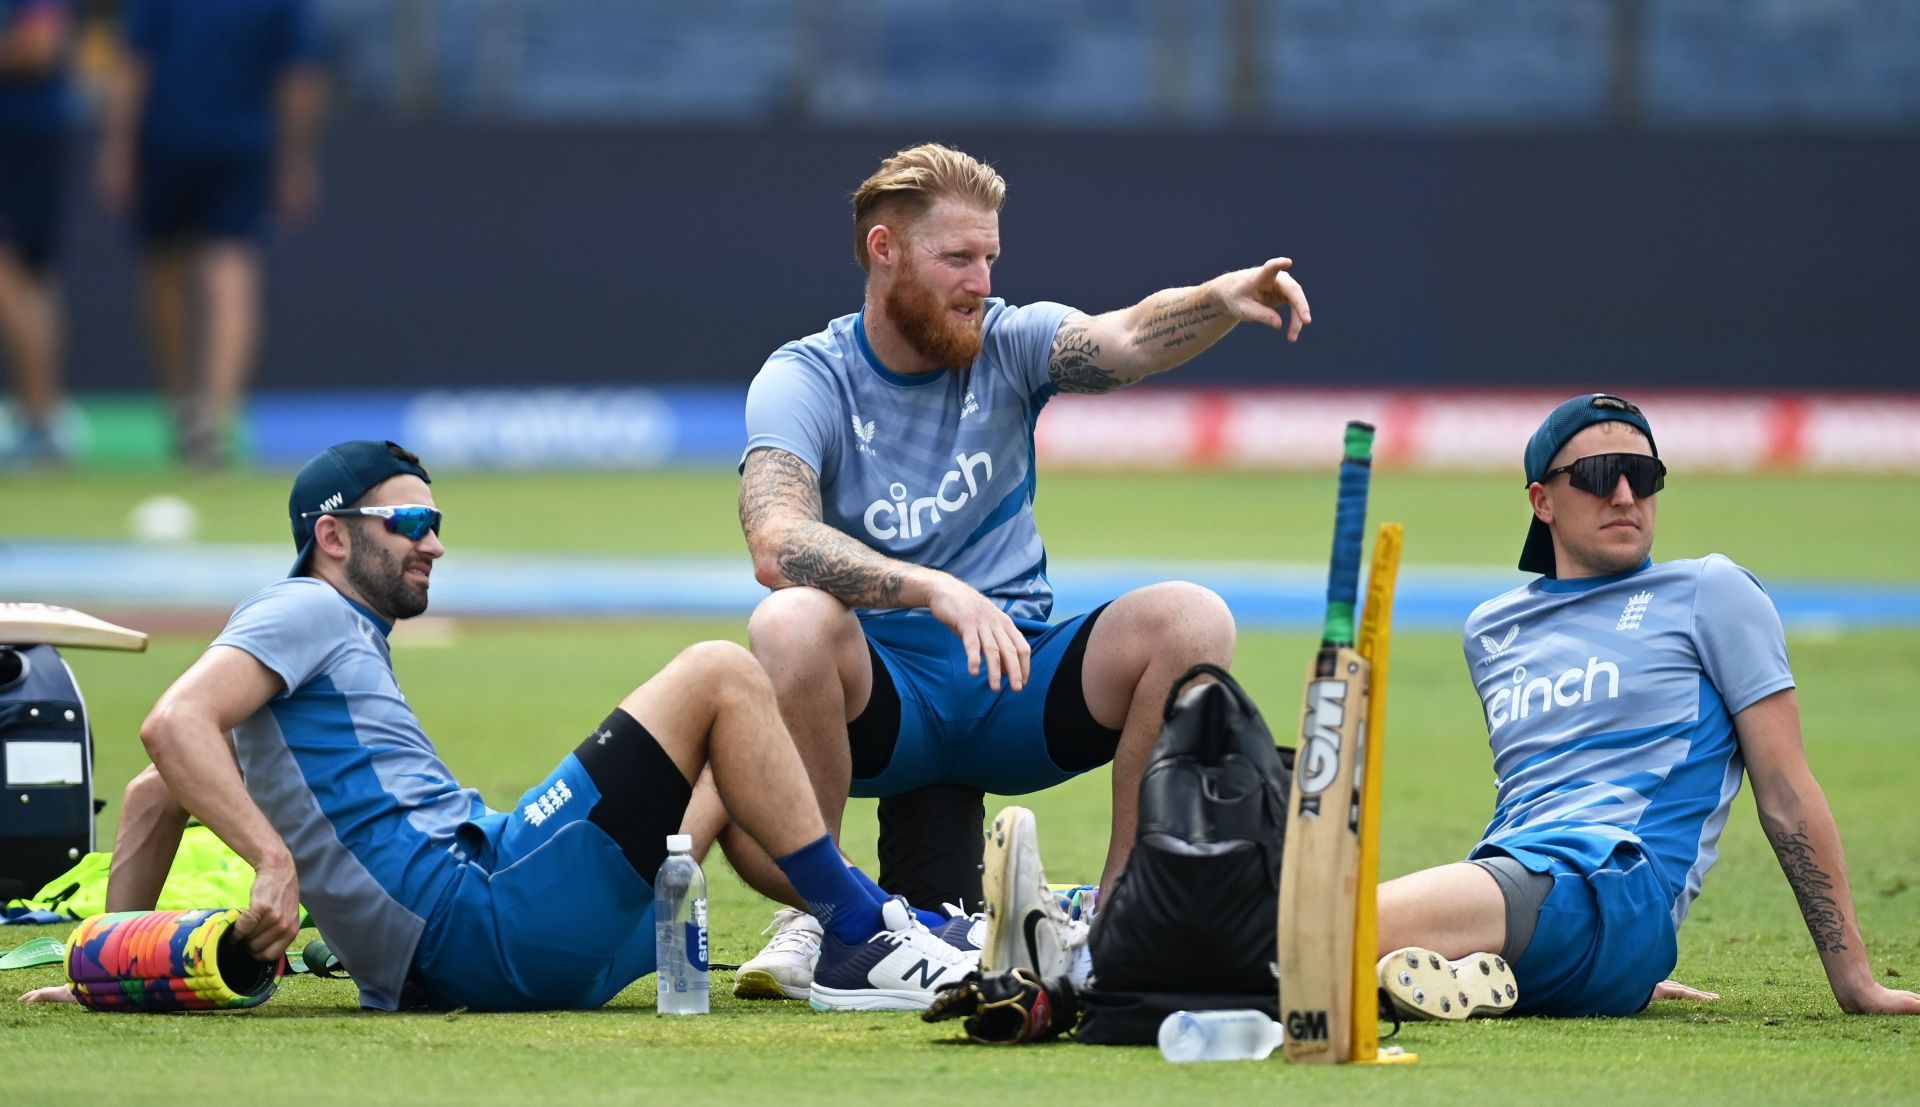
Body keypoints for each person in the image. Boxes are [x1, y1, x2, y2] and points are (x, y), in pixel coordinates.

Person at [983, 393, 1920, 1021]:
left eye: (1645, 473)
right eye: (1597, 476)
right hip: (1533, 898)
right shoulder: (1495, 626)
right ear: (1541, 499)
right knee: (1311, 946)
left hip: (1610, 888)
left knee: (1309, 938)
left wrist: (1852, 980)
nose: (1627, 491)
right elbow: (1533, 795)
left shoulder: (1713, 592)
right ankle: (1472, 975)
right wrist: (1574, 955)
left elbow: (1787, 792)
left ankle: (1075, 940)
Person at [21, 440, 976, 1012]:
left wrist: (114, 967)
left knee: (738, 733)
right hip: (480, 920)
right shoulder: (302, 607)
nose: (434, 539)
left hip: (518, 950)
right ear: (334, 535)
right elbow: (171, 724)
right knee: (722, 671)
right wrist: (274, 861)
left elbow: (154, 800)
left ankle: (864, 921)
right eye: (413, 520)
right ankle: (863, 929)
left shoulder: (321, 659)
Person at [699, 142, 1312, 1000]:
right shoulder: (805, 377)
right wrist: (931, 587)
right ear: (885, 250)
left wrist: (1215, 300)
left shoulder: (1009, 340)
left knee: (1192, 617)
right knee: (790, 620)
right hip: (882, 705)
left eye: (989, 256)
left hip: (1012, 684)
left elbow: (1126, 337)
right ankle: (824, 913)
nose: (980, 281)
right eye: (957, 258)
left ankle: (1121, 920)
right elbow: (776, 540)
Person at [96, 0, 326, 468]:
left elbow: (132, 65)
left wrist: (117, 146)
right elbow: (300, 78)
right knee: (209, 272)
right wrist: (296, 158)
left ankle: (201, 418)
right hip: (210, 143)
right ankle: (204, 419)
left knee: (201, 271)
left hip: (191, 143)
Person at [0, 0, 72, 465]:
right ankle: (39, 418)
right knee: (27, 274)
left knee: (19, 271)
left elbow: (42, 44)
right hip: (23, 132)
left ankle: (40, 418)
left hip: (22, 134)